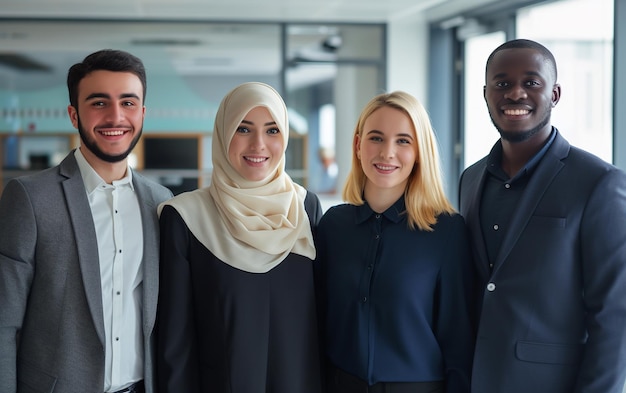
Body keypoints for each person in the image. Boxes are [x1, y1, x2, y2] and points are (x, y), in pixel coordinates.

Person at [0, 49, 173, 393]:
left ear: (142, 113)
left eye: (127, 102)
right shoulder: (30, 198)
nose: (115, 117)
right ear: (73, 114)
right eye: (98, 103)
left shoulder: (161, 202)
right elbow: (3, 324)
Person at [459, 38, 626, 393]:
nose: (515, 93)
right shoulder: (470, 179)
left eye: (531, 82)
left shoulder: (599, 183)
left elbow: (614, 316)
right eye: (502, 83)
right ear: (485, 93)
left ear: (555, 94)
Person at [156, 82, 323, 393]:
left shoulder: (305, 207)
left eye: (272, 131)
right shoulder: (185, 217)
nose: (258, 144)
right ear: (223, 134)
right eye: (243, 129)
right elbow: (175, 346)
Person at [316, 91, 475, 393]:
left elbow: (458, 340)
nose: (387, 152)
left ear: (419, 152)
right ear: (358, 145)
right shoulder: (332, 226)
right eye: (376, 138)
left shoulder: (447, 231)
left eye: (403, 141)